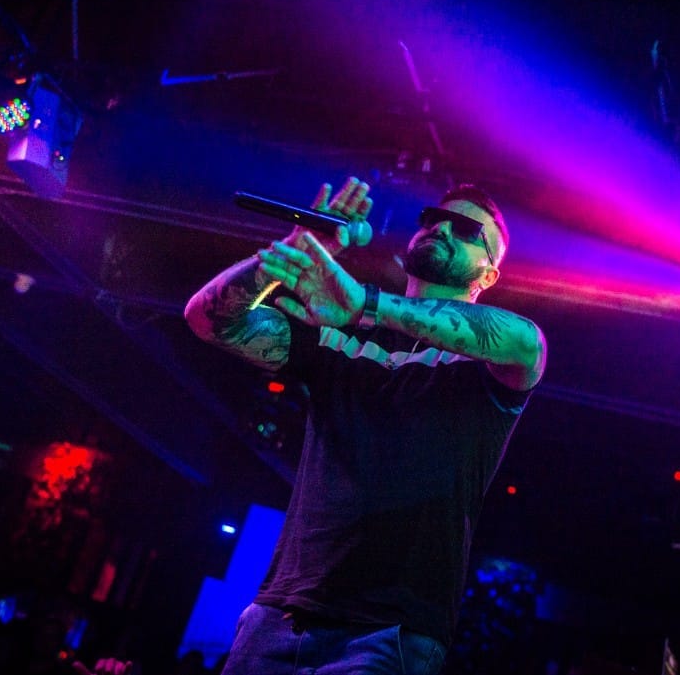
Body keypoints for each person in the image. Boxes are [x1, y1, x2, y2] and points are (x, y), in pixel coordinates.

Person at [184, 176, 546, 675]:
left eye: (465, 230)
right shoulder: (342, 336)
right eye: (433, 219)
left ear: (488, 274)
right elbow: (208, 319)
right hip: (278, 616)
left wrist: (365, 303)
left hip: (389, 633)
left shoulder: (485, 362)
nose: (441, 228)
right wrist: (294, 249)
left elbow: (526, 342)